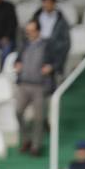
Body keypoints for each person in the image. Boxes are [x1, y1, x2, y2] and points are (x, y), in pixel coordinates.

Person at [14, 21, 54, 156]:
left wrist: (50, 67)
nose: (29, 34)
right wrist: (17, 64)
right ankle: (26, 139)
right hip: (24, 84)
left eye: (31, 31)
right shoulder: (24, 45)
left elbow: (55, 60)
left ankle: (36, 146)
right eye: (27, 31)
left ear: (38, 31)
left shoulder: (46, 45)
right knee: (18, 112)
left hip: (39, 85)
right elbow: (18, 59)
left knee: (38, 118)